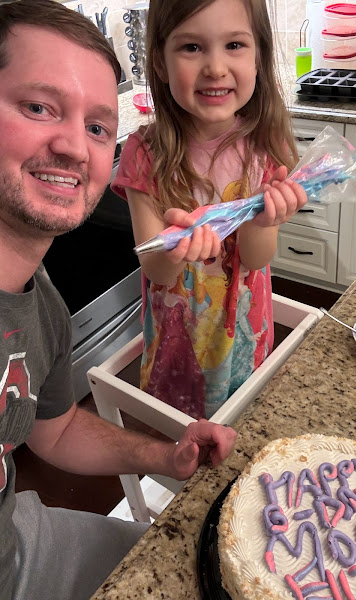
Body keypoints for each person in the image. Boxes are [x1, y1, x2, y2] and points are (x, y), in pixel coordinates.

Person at [0, 2, 237, 599]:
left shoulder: (43, 309)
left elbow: (51, 432)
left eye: (98, 127)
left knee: (179, 574)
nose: (75, 148)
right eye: (38, 107)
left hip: (15, 541)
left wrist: (166, 456)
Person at [112, 0, 308, 421]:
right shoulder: (145, 153)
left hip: (242, 335)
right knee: (182, 443)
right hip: (178, 339)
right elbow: (157, 272)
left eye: (234, 44)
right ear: (161, 64)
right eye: (192, 48)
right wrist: (174, 248)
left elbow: (256, 260)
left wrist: (263, 219)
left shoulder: (262, 149)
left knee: (242, 429)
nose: (216, 68)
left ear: (259, 58)